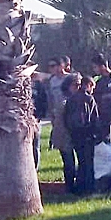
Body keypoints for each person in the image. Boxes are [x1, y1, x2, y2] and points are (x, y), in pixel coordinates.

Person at [64, 74, 99, 194]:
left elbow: (66, 118)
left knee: (81, 161)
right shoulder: (89, 99)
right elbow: (95, 118)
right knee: (88, 162)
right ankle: (88, 187)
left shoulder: (71, 99)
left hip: (75, 134)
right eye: (92, 87)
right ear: (88, 85)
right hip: (87, 134)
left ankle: (79, 186)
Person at [46, 56, 75, 188]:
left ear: (63, 65)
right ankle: (68, 181)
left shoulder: (72, 78)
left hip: (72, 118)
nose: (53, 69)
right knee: (64, 150)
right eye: (51, 66)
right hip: (59, 119)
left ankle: (76, 179)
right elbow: (50, 100)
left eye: (55, 65)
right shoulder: (52, 81)